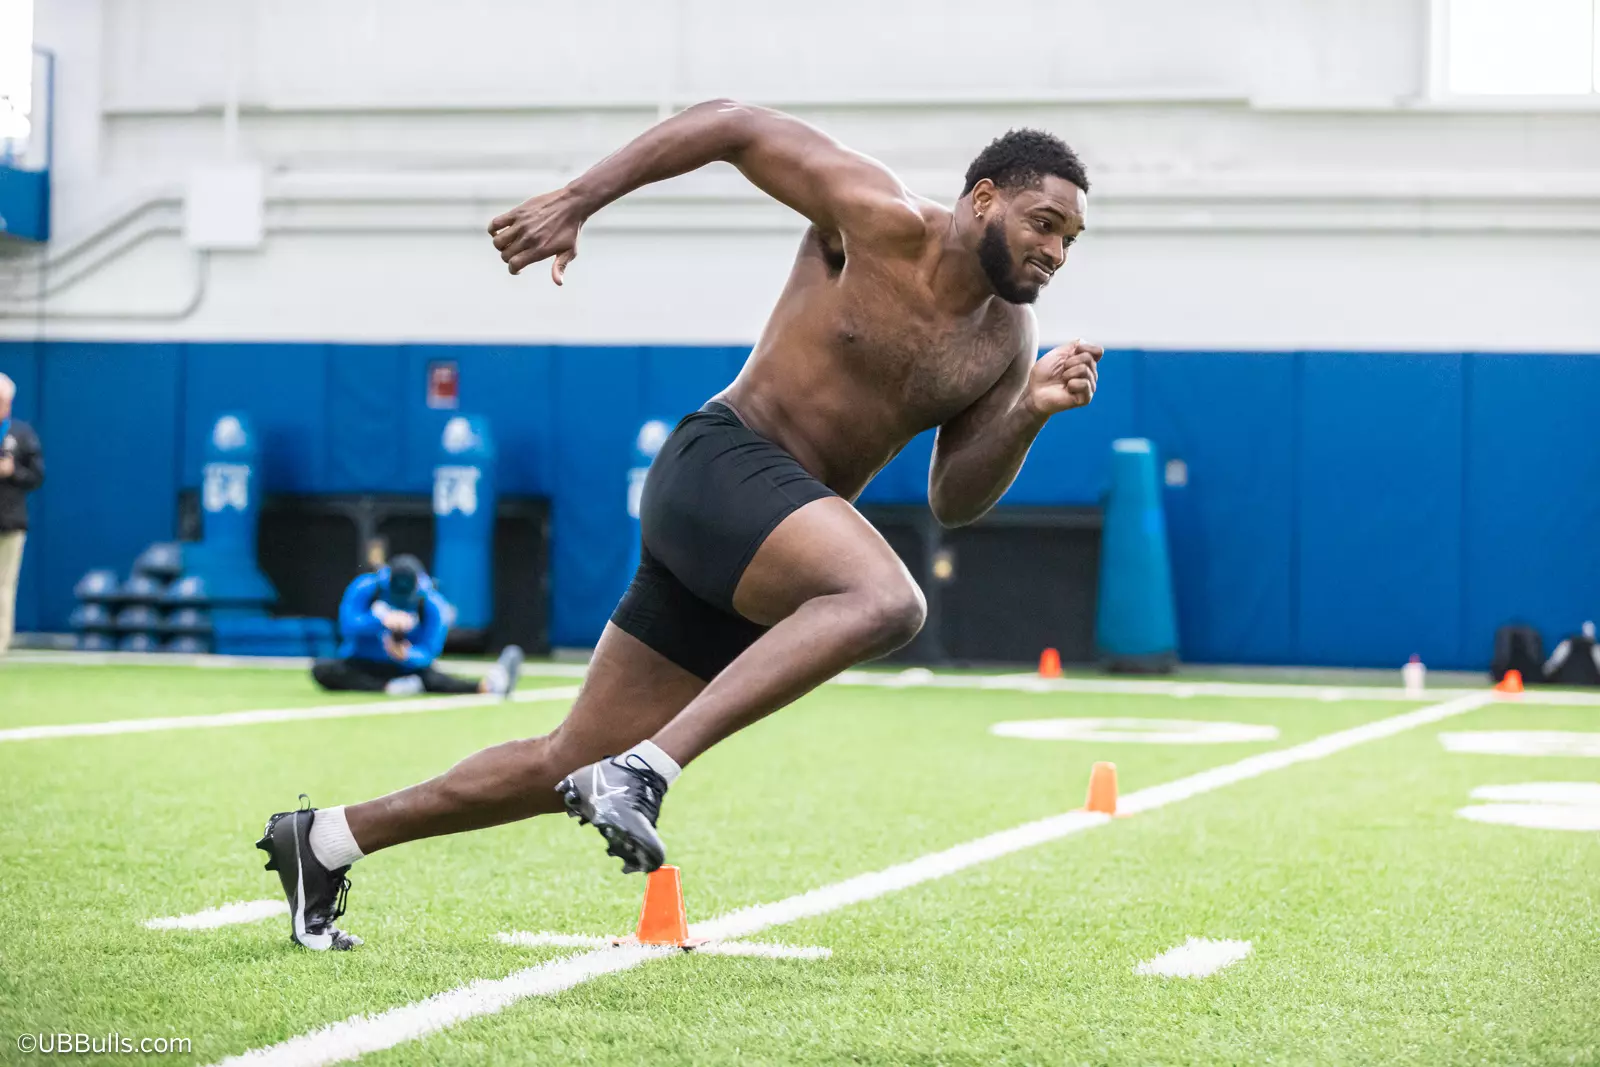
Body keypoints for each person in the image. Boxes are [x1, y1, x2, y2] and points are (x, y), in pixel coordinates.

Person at [257, 101, 1100, 950]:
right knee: (887, 600)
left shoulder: (1005, 342)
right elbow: (733, 124)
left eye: (1070, 239)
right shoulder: (877, 216)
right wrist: (579, 199)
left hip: (763, 543)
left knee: (564, 762)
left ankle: (324, 840)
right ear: (983, 198)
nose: (1056, 252)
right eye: (1044, 223)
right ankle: (645, 770)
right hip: (717, 467)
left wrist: (1027, 412)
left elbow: (954, 498)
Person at [310, 555, 524, 699]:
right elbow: (347, 626)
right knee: (324, 669)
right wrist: (380, 621)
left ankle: (489, 686)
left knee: (434, 679)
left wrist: (407, 655)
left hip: (406, 668)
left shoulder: (432, 605)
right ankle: (390, 687)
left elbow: (429, 652)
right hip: (361, 663)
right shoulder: (365, 587)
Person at [0, 373, 45, 656]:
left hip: (10, 521)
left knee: (4, 585)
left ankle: (0, 643)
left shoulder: (21, 433)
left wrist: (12, 471)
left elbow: (37, 476)